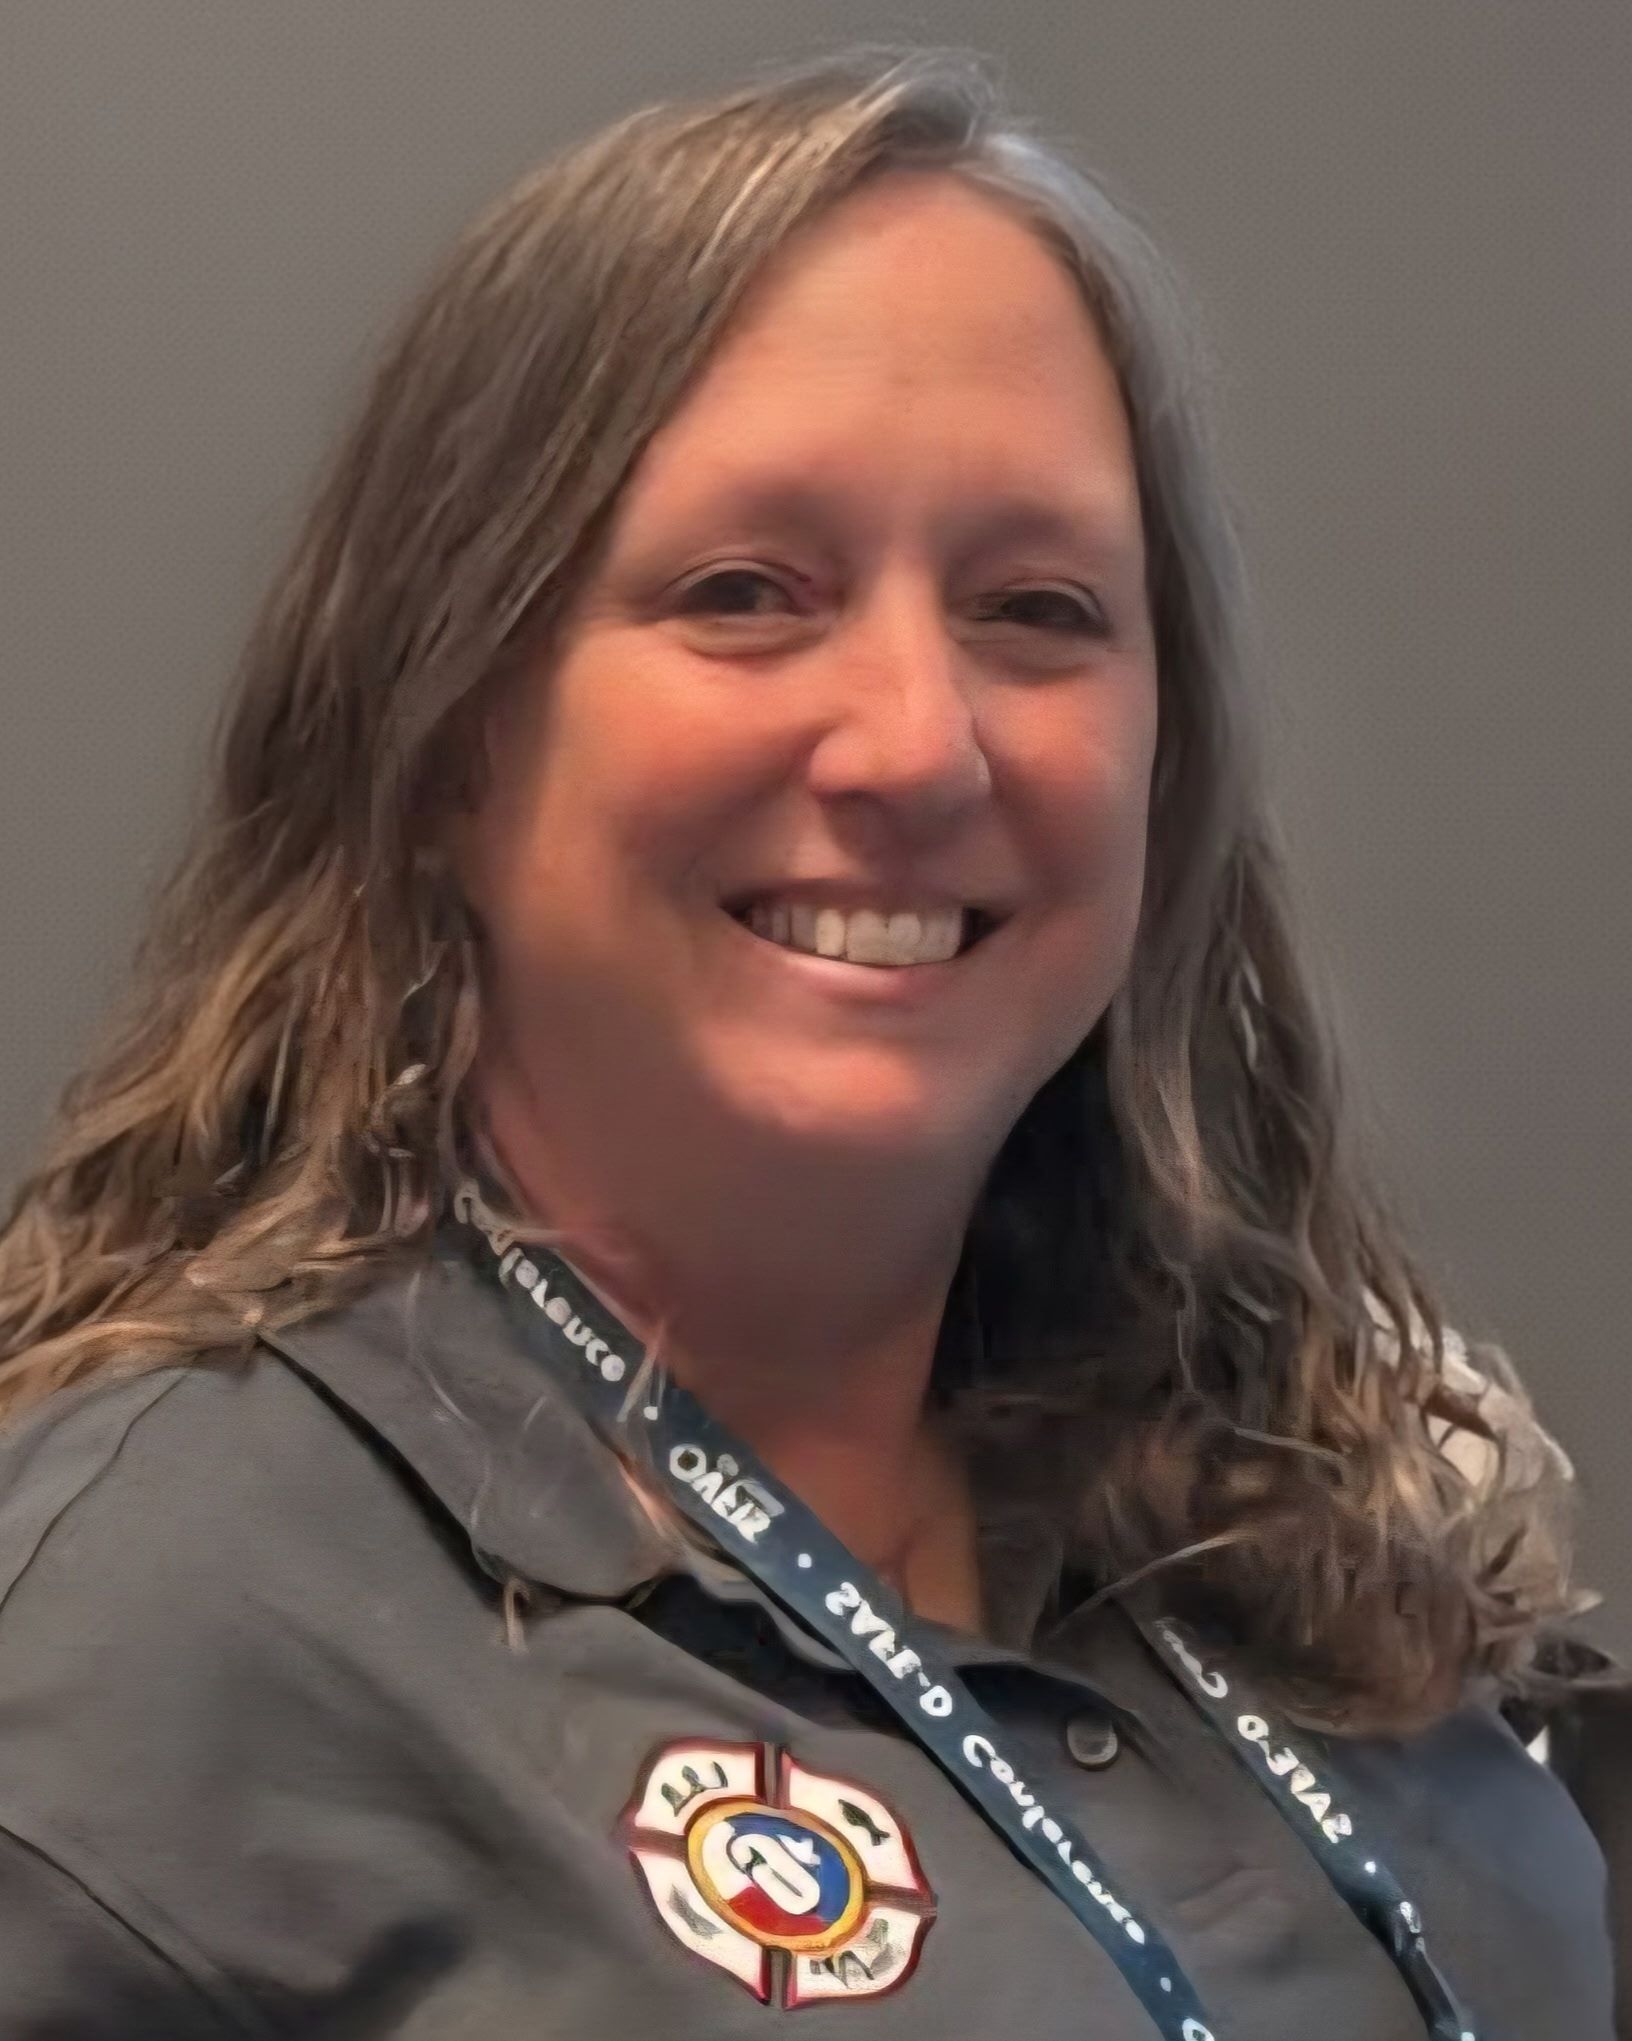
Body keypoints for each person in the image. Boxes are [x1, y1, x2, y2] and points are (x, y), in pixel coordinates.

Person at [0, 41, 1622, 2041]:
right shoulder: (145, 1652)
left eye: (1037, 608)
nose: (919, 744)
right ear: (439, 745)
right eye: (745, 590)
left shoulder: (1304, 1518)